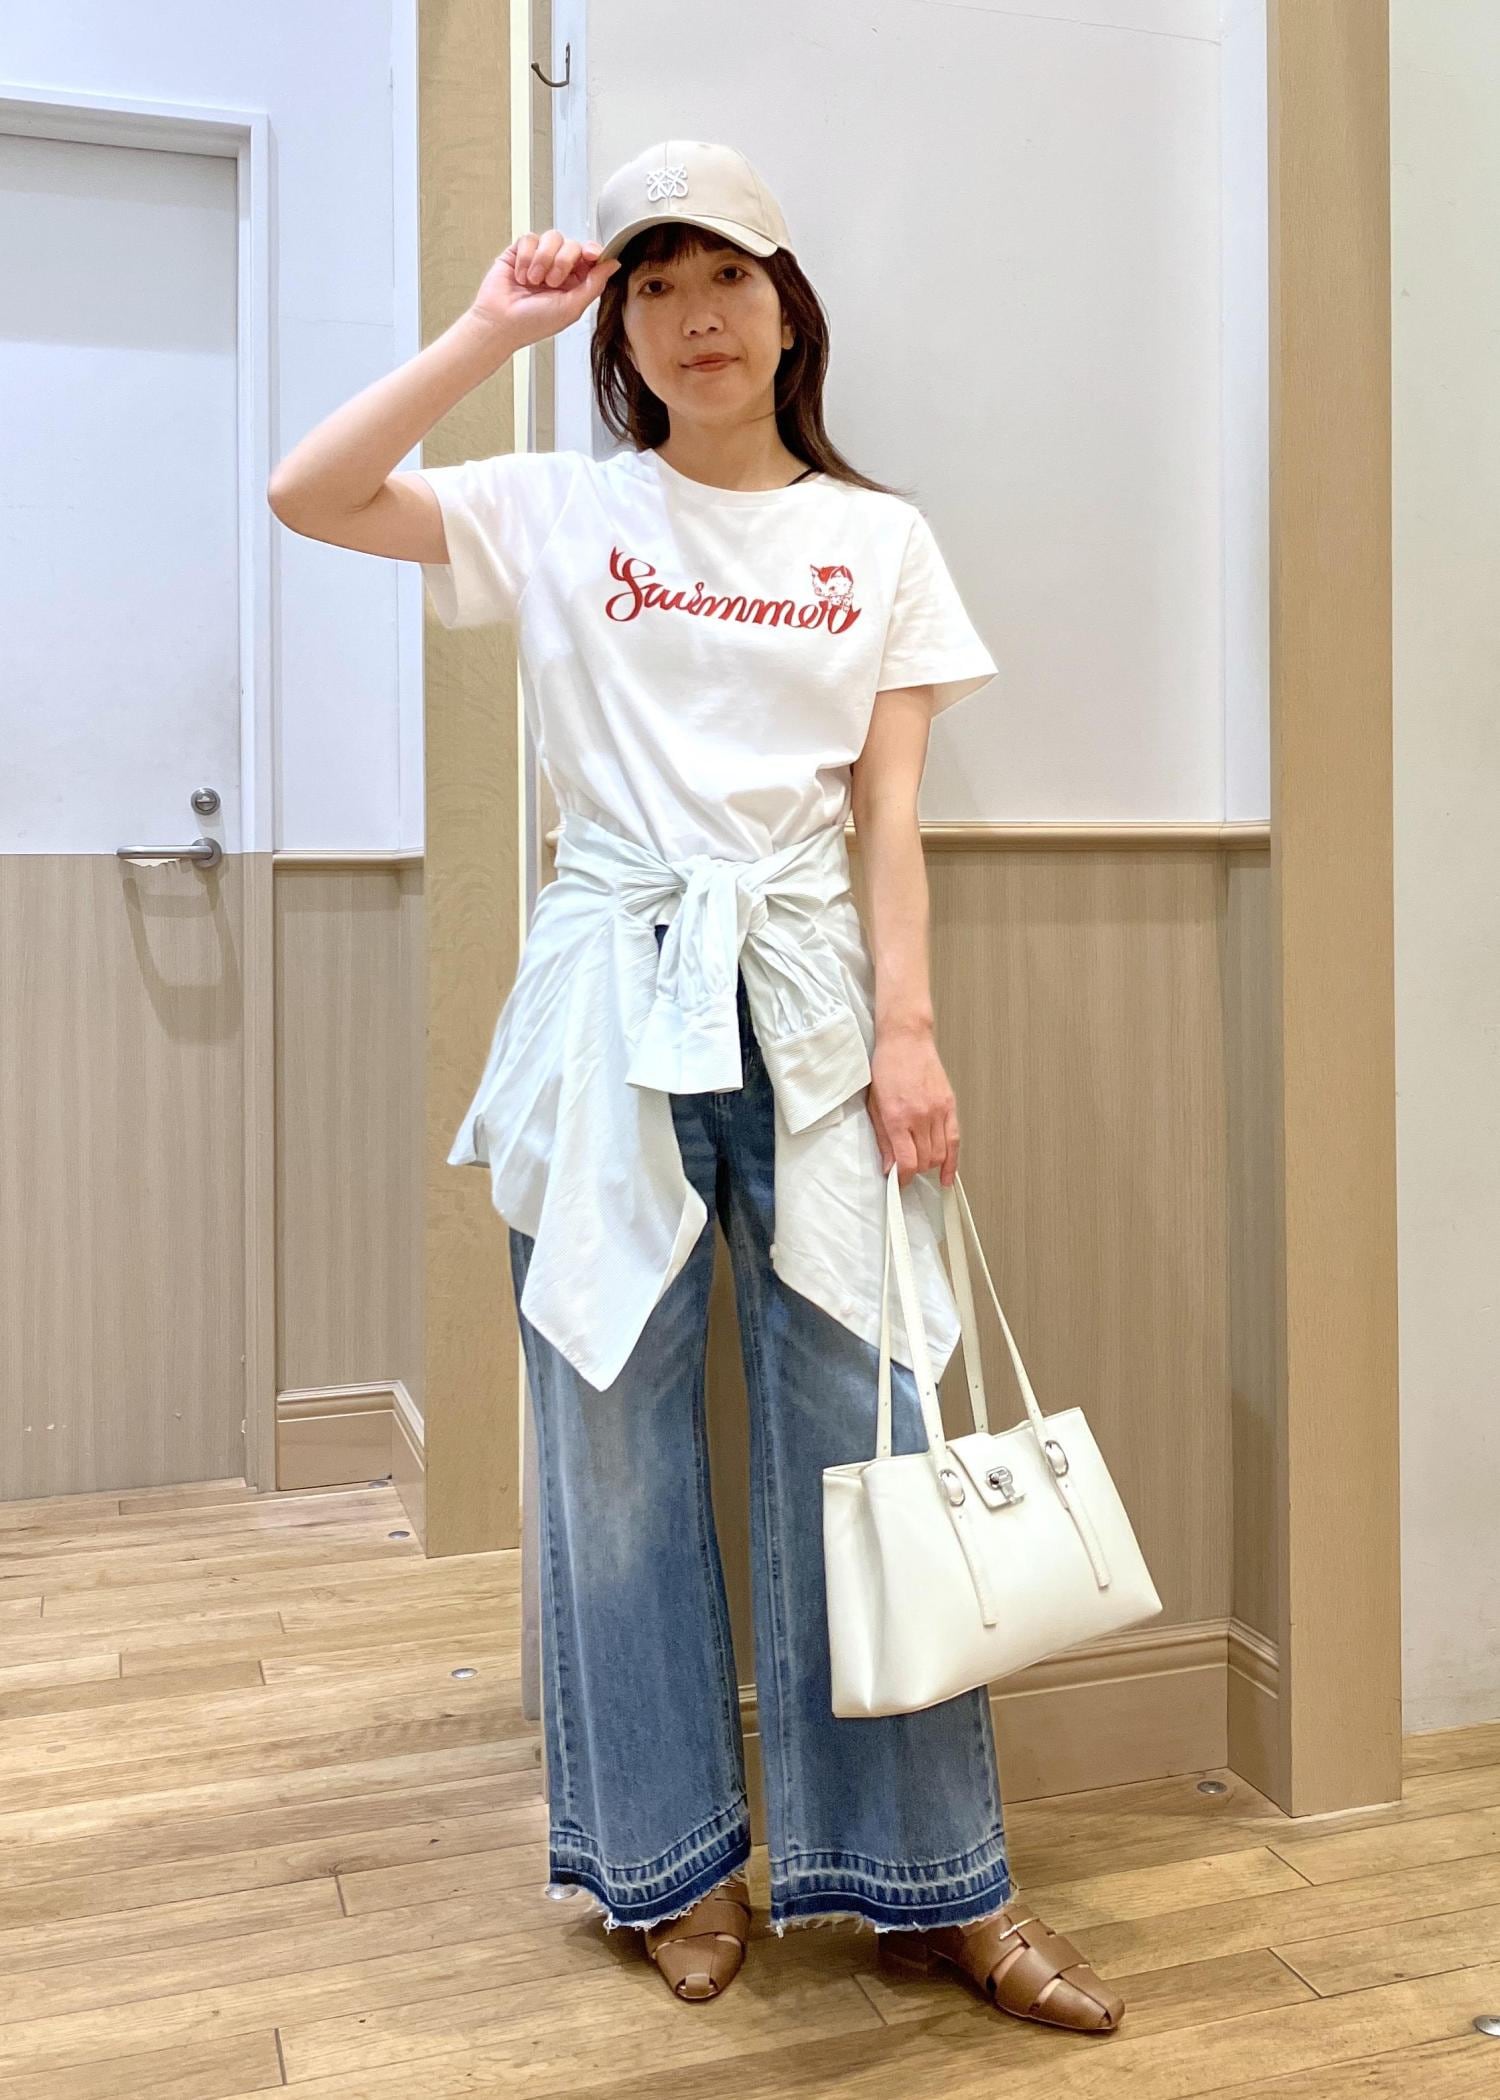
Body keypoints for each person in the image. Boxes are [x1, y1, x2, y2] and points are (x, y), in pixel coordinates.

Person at [267, 137, 1123, 2033]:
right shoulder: (562, 511)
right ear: (619, 332)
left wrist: (912, 1036)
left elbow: (887, 820)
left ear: (788, 308)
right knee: (613, 1450)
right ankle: (669, 1867)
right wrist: (486, 332)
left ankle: (932, 1882)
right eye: (652, 285)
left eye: (726, 274)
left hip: (812, 1006)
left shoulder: (877, 540)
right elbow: (307, 492)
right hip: (607, 1001)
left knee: (869, 1430)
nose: (694, 315)